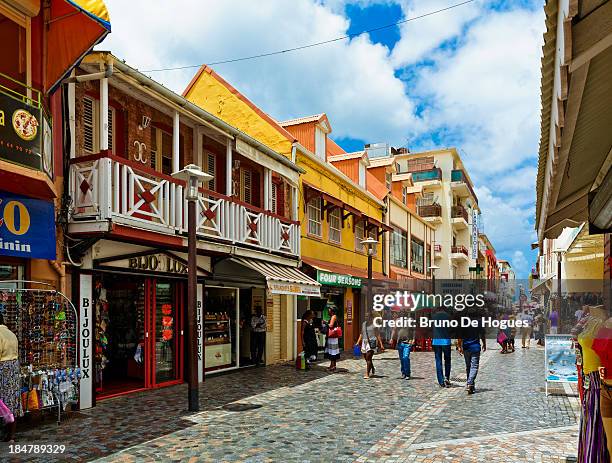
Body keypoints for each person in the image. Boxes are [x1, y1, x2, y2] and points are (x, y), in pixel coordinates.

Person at [0, 313, 22, 442]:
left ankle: (6, 433)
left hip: (3, 368)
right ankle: (11, 435)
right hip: (13, 367)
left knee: (2, 401)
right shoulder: (11, 334)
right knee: (12, 401)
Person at [457, 310, 486, 395]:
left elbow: (460, 336)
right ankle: (470, 383)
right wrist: (484, 343)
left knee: (468, 366)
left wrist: (459, 346)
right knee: (474, 366)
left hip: (466, 347)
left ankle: (471, 384)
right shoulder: (479, 322)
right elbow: (482, 334)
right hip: (475, 347)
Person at [355, 311, 384, 379]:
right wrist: (357, 342)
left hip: (371, 342)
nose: (366, 317)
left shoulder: (374, 325)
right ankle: (372, 367)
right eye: (365, 316)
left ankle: (367, 373)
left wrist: (381, 344)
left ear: (371, 317)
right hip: (364, 343)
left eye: (367, 316)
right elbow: (361, 334)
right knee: (367, 358)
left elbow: (377, 334)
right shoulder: (364, 324)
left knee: (368, 358)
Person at [432, 307, 452, 387]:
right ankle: (447, 377)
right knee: (447, 360)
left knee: (438, 361)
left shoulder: (433, 317)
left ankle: (441, 380)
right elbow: (451, 328)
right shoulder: (448, 316)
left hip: (436, 341)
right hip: (446, 341)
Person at [390, 312, 414, 380]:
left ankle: (408, 373)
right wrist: (391, 338)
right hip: (399, 342)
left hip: (407, 342)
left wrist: (413, 339)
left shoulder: (410, 320)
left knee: (405, 357)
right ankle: (403, 372)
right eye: (402, 312)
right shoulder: (398, 321)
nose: (404, 313)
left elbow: (413, 330)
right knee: (402, 359)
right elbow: (394, 330)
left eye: (405, 311)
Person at [325, 307, 341, 372]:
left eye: (329, 311)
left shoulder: (333, 317)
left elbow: (331, 325)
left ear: (332, 311)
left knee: (332, 352)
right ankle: (333, 366)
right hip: (334, 337)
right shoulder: (335, 316)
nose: (328, 312)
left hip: (332, 337)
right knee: (333, 352)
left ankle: (332, 366)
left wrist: (325, 324)